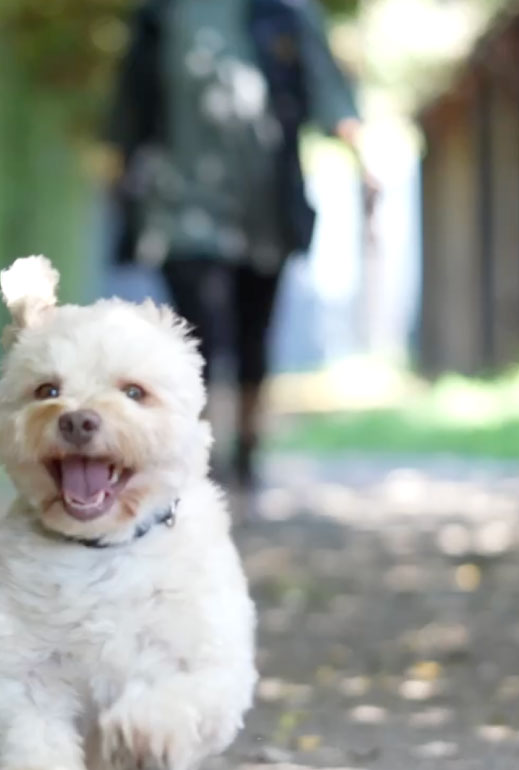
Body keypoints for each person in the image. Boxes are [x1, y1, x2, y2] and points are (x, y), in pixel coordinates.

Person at [106, 0, 375, 493]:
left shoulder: (289, 11)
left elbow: (328, 91)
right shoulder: (163, 14)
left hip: (265, 209)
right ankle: (198, 463)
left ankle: (248, 457)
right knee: (197, 338)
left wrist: (364, 160)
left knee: (255, 336)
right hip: (181, 206)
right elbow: (131, 101)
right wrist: (119, 173)